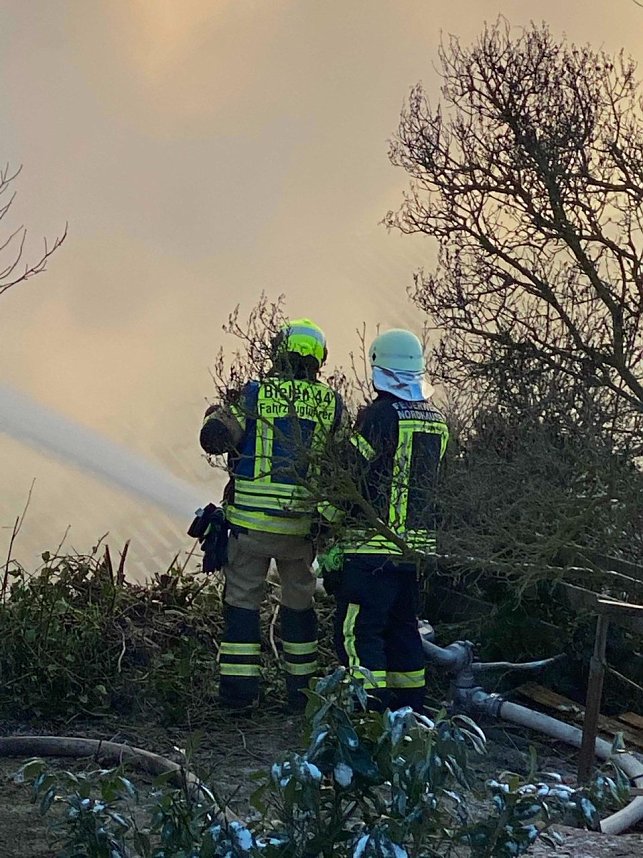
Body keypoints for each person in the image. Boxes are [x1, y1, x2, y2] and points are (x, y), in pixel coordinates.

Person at [200, 318, 343, 711]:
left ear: (278, 352)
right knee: (300, 604)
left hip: (249, 529)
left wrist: (221, 412)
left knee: (243, 603)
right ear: (319, 360)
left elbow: (215, 437)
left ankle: (239, 695)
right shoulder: (332, 403)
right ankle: (302, 696)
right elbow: (345, 466)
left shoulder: (254, 394)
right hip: (300, 531)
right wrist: (328, 521)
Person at [328, 328, 448, 713]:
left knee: (360, 632)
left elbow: (349, 475)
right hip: (413, 554)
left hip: (369, 551)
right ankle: (409, 711)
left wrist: (324, 523)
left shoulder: (378, 417)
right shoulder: (437, 421)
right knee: (403, 631)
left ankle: (366, 715)